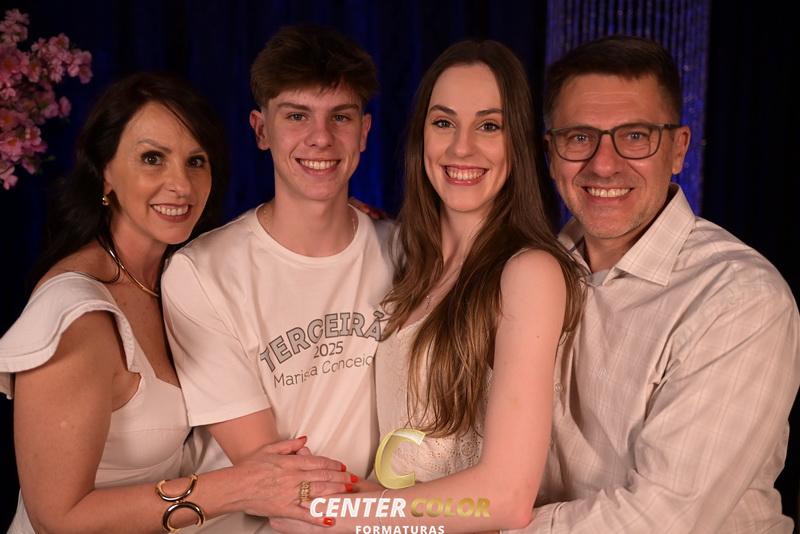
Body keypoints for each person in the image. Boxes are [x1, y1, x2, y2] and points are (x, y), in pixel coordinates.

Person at [0, 73, 351, 534]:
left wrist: (345, 219)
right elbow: (57, 517)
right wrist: (240, 488)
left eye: (196, 161)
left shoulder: (173, 279)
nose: (181, 184)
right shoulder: (74, 315)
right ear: (105, 171)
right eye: (153, 159)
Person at [270, 39, 584, 534]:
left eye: (489, 126)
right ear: (421, 137)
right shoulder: (413, 266)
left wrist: (341, 516)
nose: (461, 148)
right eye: (443, 123)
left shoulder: (528, 272)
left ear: (519, 144)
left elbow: (504, 498)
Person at [513, 35, 800, 533]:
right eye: (579, 137)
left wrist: (478, 523)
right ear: (551, 153)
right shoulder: (531, 274)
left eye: (635, 136)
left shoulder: (739, 298)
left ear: (678, 148)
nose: (603, 164)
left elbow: (660, 519)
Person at [160, 25, 394, 532]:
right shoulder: (201, 274)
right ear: (261, 129)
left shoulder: (404, 251)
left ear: (364, 132)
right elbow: (279, 489)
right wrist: (432, 512)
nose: (321, 137)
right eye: (296, 116)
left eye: (340, 117)